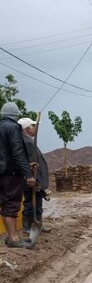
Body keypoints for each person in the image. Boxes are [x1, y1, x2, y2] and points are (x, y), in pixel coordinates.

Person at [0, 103, 36, 248]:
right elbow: (17, 152)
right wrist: (28, 174)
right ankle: (14, 239)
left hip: (1, 172)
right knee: (12, 205)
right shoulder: (13, 128)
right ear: (16, 116)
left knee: (4, 204)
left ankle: (10, 236)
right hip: (11, 173)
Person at [18, 118, 50, 234]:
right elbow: (26, 161)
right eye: (33, 126)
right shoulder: (26, 142)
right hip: (30, 178)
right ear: (27, 129)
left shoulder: (29, 140)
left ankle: (37, 225)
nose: (35, 128)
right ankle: (27, 227)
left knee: (37, 203)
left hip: (35, 178)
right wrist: (31, 176)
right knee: (29, 204)